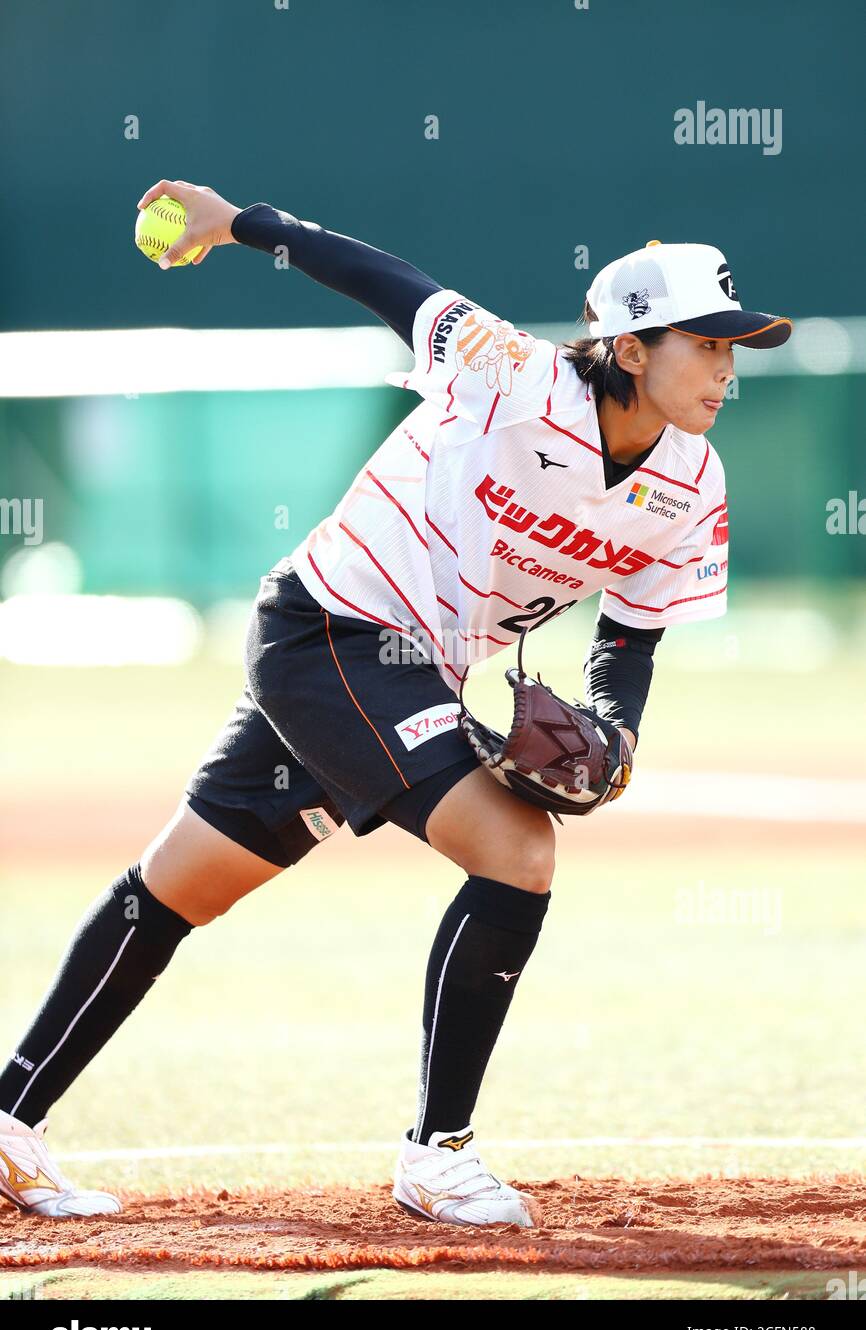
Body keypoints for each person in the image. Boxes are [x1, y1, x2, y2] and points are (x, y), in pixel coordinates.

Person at [0, 182, 791, 1227]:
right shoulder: (511, 373)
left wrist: (617, 726)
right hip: (329, 630)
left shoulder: (691, 482)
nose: (728, 368)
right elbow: (384, 278)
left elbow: (629, 635)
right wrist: (239, 222)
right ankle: (438, 1153)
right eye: (708, 343)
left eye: (736, 348)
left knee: (183, 884)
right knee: (517, 850)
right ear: (633, 348)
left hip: (404, 669)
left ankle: (9, 1113)